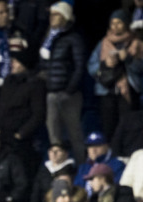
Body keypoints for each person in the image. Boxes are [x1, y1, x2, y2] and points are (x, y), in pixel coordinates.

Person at [88, 10, 143, 141]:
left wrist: (129, 59)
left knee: (129, 126)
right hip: (106, 91)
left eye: (119, 23)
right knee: (109, 127)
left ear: (126, 24)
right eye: (112, 23)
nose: (115, 26)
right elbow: (91, 66)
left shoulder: (136, 43)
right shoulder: (103, 43)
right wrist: (105, 64)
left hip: (128, 91)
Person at [38, 2, 87, 161]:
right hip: (51, 93)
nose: (52, 17)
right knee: (54, 138)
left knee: (75, 134)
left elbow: (80, 65)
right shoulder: (50, 38)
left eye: (56, 14)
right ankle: (58, 171)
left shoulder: (73, 38)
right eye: (51, 14)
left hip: (69, 94)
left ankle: (81, 171)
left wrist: (69, 89)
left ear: (65, 17)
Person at [0, 45, 46, 169]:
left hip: (21, 141)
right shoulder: (9, 81)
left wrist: (21, 134)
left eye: (15, 61)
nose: (12, 64)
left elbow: (38, 114)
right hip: (2, 137)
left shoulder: (36, 84)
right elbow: (0, 107)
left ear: (24, 63)